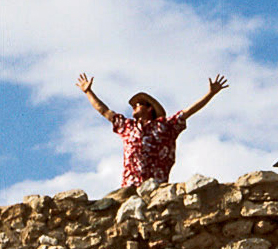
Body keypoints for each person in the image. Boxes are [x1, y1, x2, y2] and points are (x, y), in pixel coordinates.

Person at [76, 73, 228, 188]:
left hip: (156, 187)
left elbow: (189, 111)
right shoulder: (127, 126)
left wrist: (210, 94)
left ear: (149, 108)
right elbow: (104, 111)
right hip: (130, 187)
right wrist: (88, 92)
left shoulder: (165, 126)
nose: (133, 107)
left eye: (137, 104)